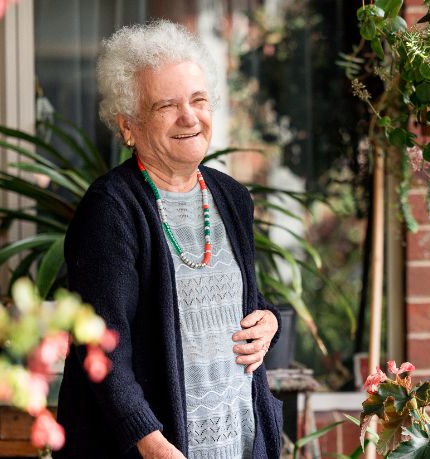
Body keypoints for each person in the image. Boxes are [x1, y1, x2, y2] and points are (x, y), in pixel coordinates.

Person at [55, 20, 283, 459]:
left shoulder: (231, 197)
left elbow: (234, 298)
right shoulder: (111, 209)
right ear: (128, 126)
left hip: (238, 440)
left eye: (199, 100)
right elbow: (100, 344)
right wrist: (150, 441)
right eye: (167, 106)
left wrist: (268, 321)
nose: (189, 117)